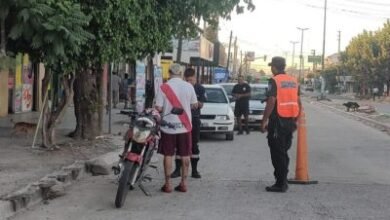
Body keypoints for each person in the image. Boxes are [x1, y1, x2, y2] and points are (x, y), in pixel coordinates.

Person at [155, 64, 198, 193]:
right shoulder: (189, 86)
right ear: (181, 73)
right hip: (185, 127)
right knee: (185, 155)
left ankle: (168, 185)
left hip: (168, 127)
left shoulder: (164, 87)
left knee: (168, 154)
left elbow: (159, 108)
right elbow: (194, 104)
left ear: (169, 73)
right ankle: (183, 183)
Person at [260, 56, 301, 193]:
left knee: (277, 153)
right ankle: (283, 179)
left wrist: (264, 120)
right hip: (290, 121)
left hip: (278, 122)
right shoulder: (293, 80)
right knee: (283, 151)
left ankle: (280, 183)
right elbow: (298, 101)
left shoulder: (274, 80)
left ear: (274, 67)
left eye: (272, 66)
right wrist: (296, 119)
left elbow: (272, 100)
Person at [171, 68, 206, 179]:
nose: (189, 82)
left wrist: (194, 103)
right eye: (187, 80)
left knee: (194, 144)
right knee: (178, 144)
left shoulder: (200, 88)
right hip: (181, 119)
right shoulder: (181, 87)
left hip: (194, 119)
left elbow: (201, 104)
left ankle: (194, 170)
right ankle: (177, 170)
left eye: (191, 80)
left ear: (195, 78)